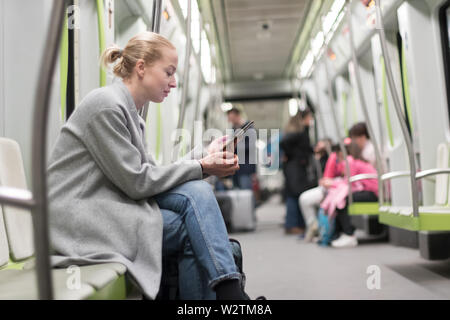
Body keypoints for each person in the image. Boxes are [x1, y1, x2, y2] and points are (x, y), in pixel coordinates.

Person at [47, 31, 252, 300]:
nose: (174, 83)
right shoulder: (106, 106)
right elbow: (138, 183)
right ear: (141, 67)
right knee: (192, 225)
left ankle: (228, 292)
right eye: (168, 72)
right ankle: (230, 293)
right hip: (80, 223)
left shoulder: (128, 112)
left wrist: (204, 155)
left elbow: (151, 176)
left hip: (107, 211)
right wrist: (203, 166)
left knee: (196, 197)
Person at [320, 142, 378, 248]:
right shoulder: (355, 160)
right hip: (370, 191)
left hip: (373, 193)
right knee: (342, 199)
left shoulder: (350, 162)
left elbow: (348, 182)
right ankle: (342, 233)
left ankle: (348, 234)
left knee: (342, 200)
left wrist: (332, 183)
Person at [299, 143, 345, 242]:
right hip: (331, 187)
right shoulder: (332, 158)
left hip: (335, 188)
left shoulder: (342, 159)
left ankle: (316, 228)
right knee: (304, 199)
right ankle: (314, 226)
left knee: (305, 199)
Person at [280, 109, 314, 235]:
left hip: (292, 167)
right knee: (296, 195)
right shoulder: (300, 133)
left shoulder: (293, 132)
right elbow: (285, 143)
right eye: (309, 118)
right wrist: (295, 155)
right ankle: (293, 225)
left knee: (292, 194)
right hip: (296, 168)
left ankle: (293, 224)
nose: (310, 120)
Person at [226, 107, 257, 191]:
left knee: (246, 193)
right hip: (235, 169)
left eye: (232, 118)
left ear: (238, 116)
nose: (230, 121)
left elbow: (251, 146)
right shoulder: (233, 130)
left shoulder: (249, 129)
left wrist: (235, 146)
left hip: (246, 169)